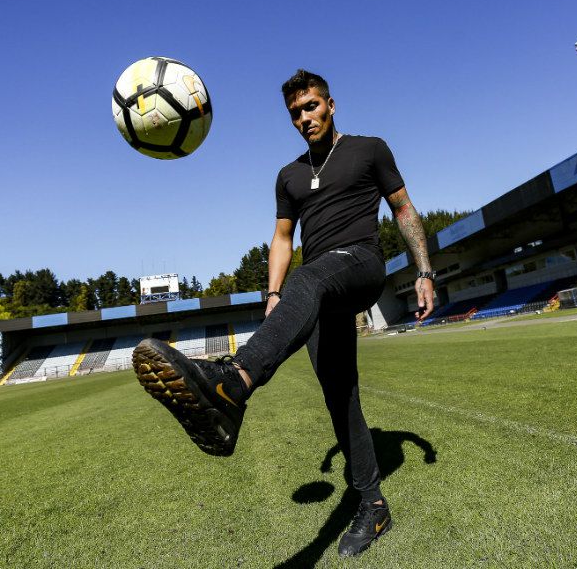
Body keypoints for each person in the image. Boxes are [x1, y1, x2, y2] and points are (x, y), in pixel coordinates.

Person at [133, 69, 434, 558]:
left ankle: (234, 382)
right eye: (295, 113)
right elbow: (282, 239)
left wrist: (424, 270)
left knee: (309, 277)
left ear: (331, 105)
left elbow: (403, 209)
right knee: (340, 393)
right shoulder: (289, 175)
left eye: (311, 107)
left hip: (359, 262)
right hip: (315, 286)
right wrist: (272, 294)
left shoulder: (370, 149)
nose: (304, 118)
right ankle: (373, 505)